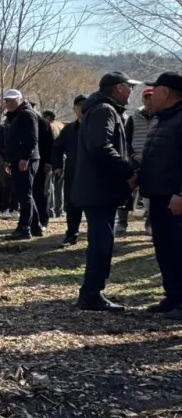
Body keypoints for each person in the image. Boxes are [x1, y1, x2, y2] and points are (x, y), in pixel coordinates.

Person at [73, 71, 141, 312]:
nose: (131, 92)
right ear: (118, 87)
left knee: (102, 240)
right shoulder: (104, 110)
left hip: (98, 188)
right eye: (129, 87)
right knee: (101, 242)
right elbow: (100, 147)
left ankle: (93, 291)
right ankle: (92, 293)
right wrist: (127, 171)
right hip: (99, 189)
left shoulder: (102, 109)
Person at [137, 72, 182, 318]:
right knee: (165, 249)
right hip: (158, 196)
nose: (151, 94)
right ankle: (173, 297)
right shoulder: (163, 119)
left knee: (178, 249)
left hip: (175, 199)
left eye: (155, 89)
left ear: (166, 92)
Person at [0, 89, 42, 240]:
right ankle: (36, 226)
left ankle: (24, 228)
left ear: (20, 99)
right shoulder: (12, 116)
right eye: (7, 101)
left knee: (24, 194)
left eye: (13, 100)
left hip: (25, 160)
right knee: (26, 193)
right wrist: (8, 159)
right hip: (16, 159)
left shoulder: (26, 114)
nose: (9, 104)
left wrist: (25, 158)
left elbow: (32, 138)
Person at [121, 89, 157, 235]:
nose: (149, 101)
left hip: (154, 161)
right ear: (142, 100)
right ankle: (122, 222)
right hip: (135, 160)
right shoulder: (133, 117)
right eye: (146, 98)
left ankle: (150, 223)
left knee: (151, 193)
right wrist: (133, 154)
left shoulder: (162, 116)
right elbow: (126, 140)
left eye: (151, 98)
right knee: (127, 189)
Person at [53, 95, 87, 246]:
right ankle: (71, 235)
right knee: (72, 205)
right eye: (78, 105)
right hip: (73, 171)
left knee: (92, 207)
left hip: (93, 174)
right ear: (74, 109)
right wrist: (57, 166)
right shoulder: (69, 129)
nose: (81, 108)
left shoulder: (97, 127)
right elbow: (57, 148)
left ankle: (95, 237)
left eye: (84, 105)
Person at [32, 103, 55, 231]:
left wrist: (49, 162)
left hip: (42, 165)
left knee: (43, 193)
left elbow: (51, 145)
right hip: (28, 165)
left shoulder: (43, 124)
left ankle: (43, 220)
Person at [42, 111, 64, 217]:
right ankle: (59, 210)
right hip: (61, 159)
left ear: (48, 117)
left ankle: (51, 210)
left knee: (49, 186)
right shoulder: (60, 126)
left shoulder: (49, 128)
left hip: (51, 160)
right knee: (59, 186)